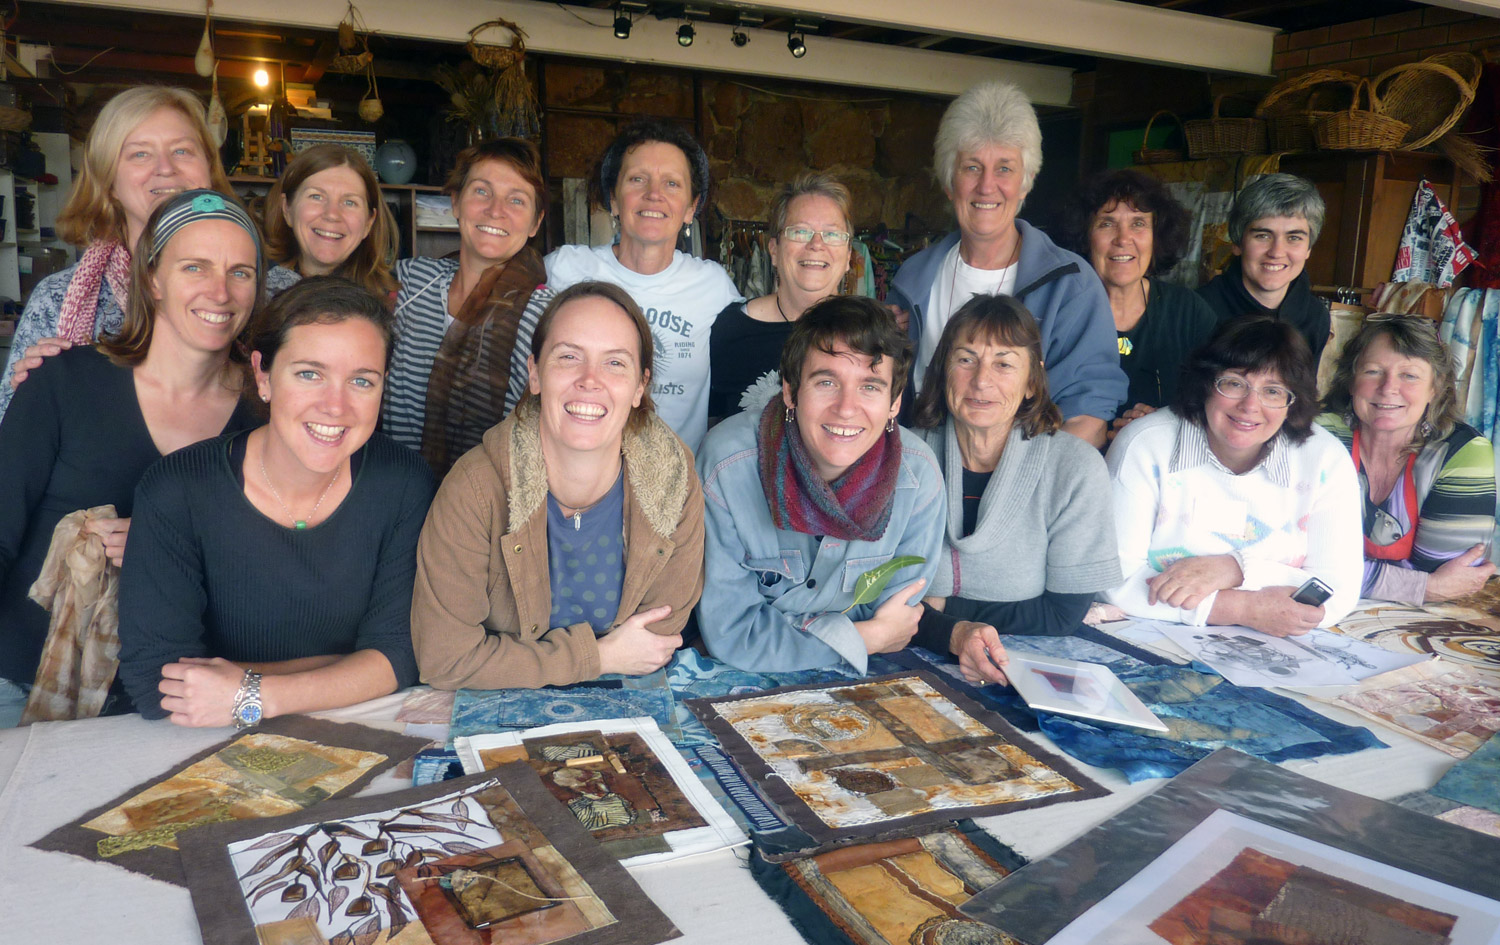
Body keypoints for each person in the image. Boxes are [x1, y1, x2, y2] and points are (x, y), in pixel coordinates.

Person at [116, 277, 436, 725]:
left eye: (362, 381)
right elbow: (159, 685)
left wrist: (250, 692)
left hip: (360, 729)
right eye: (310, 374)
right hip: (199, 745)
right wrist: (350, 669)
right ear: (263, 375)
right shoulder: (177, 489)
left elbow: (403, 657)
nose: (336, 406)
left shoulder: (404, 483)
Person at [0, 189, 264, 726]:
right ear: (152, 279)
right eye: (195, 266)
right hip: (23, 683)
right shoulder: (64, 381)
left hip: (181, 699)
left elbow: (277, 560)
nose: (221, 291)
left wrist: (166, 543)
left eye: (241, 272)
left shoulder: (266, 412)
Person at [410, 281, 704, 689]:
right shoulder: (475, 488)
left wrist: (510, 661)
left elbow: (656, 641)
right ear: (534, 373)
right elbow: (446, 659)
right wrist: (598, 657)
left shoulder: (674, 479)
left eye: (615, 363)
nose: (590, 380)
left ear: (640, 386)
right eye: (568, 357)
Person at [696, 295, 944, 674]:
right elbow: (731, 635)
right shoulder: (728, 467)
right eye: (827, 381)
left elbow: (899, 619)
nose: (846, 408)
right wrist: (866, 637)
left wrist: (792, 630)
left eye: (871, 387)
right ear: (791, 391)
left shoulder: (918, 477)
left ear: (895, 403)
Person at [889, 80, 1124, 447]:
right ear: (950, 183)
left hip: (1024, 491)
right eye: (971, 167)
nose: (986, 186)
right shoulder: (913, 278)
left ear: (1026, 184)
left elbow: (1086, 421)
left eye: (1004, 168)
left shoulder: (1071, 286)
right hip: (924, 486)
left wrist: (1014, 492)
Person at [1104, 316, 1362, 635]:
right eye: (1234, 383)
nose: (1250, 406)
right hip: (1151, 637)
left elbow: (1336, 591)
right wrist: (1242, 608)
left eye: (1273, 391)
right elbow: (1112, 581)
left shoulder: (1325, 459)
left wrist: (1237, 569)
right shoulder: (1145, 445)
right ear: (1206, 383)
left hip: (1274, 651)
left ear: (1292, 403)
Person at [911, 295, 1123, 685]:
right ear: (942, 371)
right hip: (908, 652)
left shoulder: (1073, 468)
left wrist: (943, 607)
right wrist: (949, 631)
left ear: (1031, 382)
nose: (981, 380)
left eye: (1004, 364)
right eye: (965, 359)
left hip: (1020, 664)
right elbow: (873, 595)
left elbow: (1062, 615)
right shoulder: (905, 457)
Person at [0, 86, 233, 421]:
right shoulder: (57, 298)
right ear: (109, 181)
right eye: (140, 154)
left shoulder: (270, 290)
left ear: (209, 170)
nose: (165, 168)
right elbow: (12, 436)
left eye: (183, 151)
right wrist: (32, 392)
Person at [546, 119, 740, 452]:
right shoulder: (564, 270)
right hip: (575, 474)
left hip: (672, 487)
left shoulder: (713, 287)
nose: (654, 195)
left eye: (672, 184)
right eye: (637, 179)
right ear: (614, 199)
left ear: (691, 208)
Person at [384, 138, 556, 476]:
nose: (496, 210)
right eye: (481, 191)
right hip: (395, 493)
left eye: (517, 200)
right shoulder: (410, 283)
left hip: (486, 508)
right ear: (455, 203)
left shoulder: (547, 317)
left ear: (536, 223)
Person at [1320, 315, 1496, 604]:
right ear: (1351, 381)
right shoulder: (1320, 435)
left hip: (1419, 622)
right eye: (1373, 371)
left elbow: (1448, 577)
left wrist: (1331, 570)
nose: (1388, 388)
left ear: (1435, 389)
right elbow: (1288, 555)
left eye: (1409, 375)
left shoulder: (1462, 452)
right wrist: (1421, 586)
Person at [1063, 169, 1218, 438]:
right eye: (1107, 223)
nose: (1123, 239)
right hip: (1076, 462)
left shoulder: (1188, 311)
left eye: (1138, 223)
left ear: (1156, 237)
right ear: (1085, 237)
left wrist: (1158, 424)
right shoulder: (1059, 312)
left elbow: (1220, 402)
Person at [708, 173, 852, 421]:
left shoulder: (873, 335)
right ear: (774, 250)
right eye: (800, 232)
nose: (817, 244)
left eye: (832, 234)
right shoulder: (730, 329)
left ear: (849, 256)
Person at [1198, 173, 1331, 361]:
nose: (1277, 252)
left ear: (1308, 249)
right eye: (1263, 235)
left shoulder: (1316, 316)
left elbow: (1304, 390)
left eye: (1294, 238)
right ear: (1237, 243)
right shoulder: (1197, 311)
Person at [262, 144, 399, 302]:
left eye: (349, 202)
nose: (332, 214)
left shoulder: (395, 302)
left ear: (369, 223)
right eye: (316, 197)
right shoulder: (253, 293)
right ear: (287, 209)